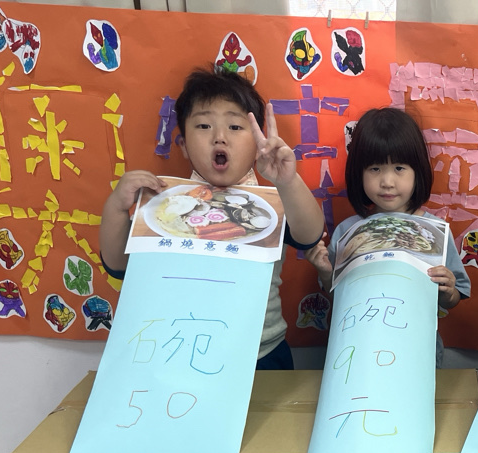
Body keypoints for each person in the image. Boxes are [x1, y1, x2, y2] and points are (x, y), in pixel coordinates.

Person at [98, 67, 325, 370]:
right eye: (204, 126)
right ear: (183, 145)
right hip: (177, 349)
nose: (220, 137)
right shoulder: (163, 205)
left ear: (257, 144)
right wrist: (116, 206)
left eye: (235, 126)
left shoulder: (272, 203)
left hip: (261, 353)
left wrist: (288, 181)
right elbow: (118, 265)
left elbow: (310, 235)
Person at [303, 107, 470, 366]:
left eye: (399, 168)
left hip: (417, 351)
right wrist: (326, 272)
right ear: (359, 173)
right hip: (357, 349)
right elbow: (340, 298)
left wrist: (448, 292)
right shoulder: (348, 232)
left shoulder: (434, 231)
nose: (387, 182)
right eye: (375, 169)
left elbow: (454, 297)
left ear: (418, 171)